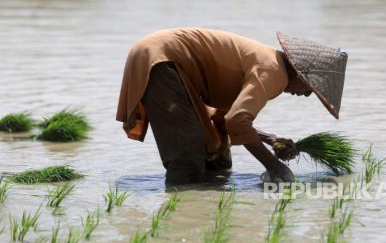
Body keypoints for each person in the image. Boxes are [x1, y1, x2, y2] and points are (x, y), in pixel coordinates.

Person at [116, 28, 347, 184]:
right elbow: (237, 121)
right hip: (162, 59)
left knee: (217, 157)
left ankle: (198, 206)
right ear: (301, 74)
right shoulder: (274, 72)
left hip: (173, 64)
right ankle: (178, 215)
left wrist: (269, 139)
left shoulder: (272, 65)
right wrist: (273, 165)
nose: (307, 94)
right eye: (312, 88)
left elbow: (227, 119)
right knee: (188, 156)